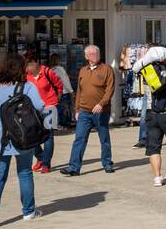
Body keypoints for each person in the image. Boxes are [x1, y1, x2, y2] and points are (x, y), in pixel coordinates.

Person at [0, 55, 46, 226]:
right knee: (24, 172)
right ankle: (28, 211)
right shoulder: (27, 87)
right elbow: (40, 106)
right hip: (21, 134)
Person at [133, 45, 166, 186]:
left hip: (151, 113)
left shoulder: (147, 73)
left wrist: (151, 54)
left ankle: (157, 177)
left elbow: (138, 65)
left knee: (154, 147)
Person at [62, 44, 116, 176]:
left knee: (104, 138)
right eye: (92, 54)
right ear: (86, 56)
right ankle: (74, 167)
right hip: (84, 112)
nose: (95, 55)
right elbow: (79, 91)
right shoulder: (83, 71)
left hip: (101, 112)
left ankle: (107, 163)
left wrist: (102, 104)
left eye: (97, 53)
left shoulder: (107, 69)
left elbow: (110, 90)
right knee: (79, 139)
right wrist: (77, 109)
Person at [25, 58, 63, 173]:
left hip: (49, 107)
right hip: (33, 109)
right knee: (31, 135)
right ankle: (40, 158)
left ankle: (46, 164)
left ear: (35, 64)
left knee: (48, 136)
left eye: (28, 66)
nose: (27, 69)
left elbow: (59, 86)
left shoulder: (47, 72)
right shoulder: (27, 75)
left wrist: (56, 100)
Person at [49, 53, 74, 129]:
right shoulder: (60, 69)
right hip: (63, 92)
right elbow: (65, 81)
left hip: (55, 92)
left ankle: (58, 123)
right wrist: (71, 91)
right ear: (58, 60)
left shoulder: (50, 70)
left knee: (58, 108)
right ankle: (64, 123)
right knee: (64, 108)